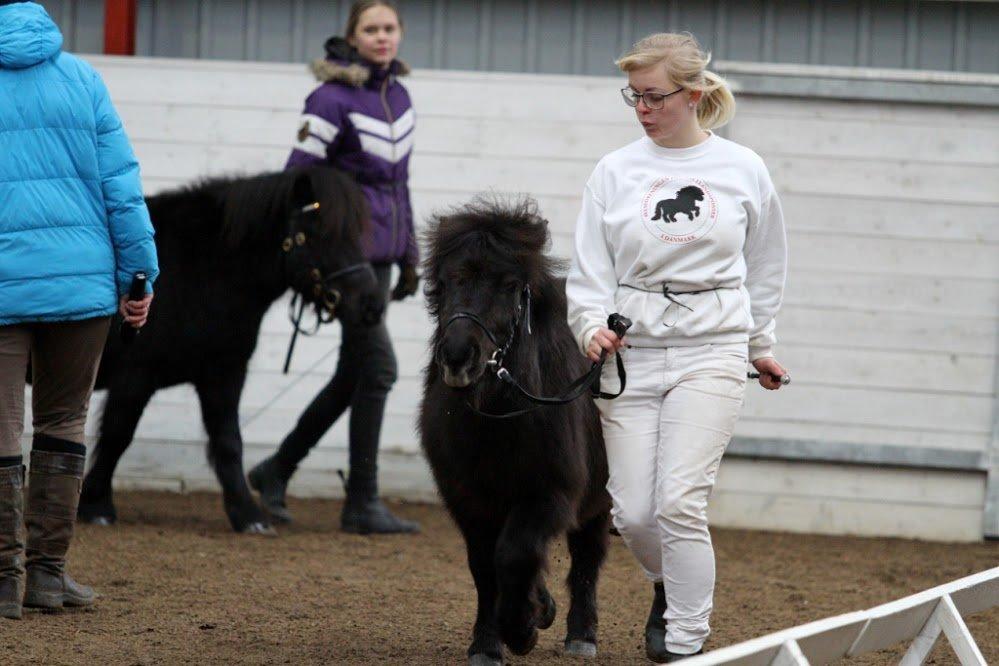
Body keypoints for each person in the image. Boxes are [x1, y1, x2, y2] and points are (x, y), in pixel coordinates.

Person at [566, 33, 788, 661]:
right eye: (633, 96)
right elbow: (588, 268)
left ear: (692, 95)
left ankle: (686, 644)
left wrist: (759, 345)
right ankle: (669, 584)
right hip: (631, 354)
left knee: (678, 503)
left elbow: (767, 265)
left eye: (654, 96)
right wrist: (589, 326)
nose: (642, 108)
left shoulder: (742, 168)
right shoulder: (614, 170)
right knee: (634, 514)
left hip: (712, 349)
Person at [0, 1, 158, 619]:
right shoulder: (83, 81)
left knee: (2, 426)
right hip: (80, 282)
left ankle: (4, 583)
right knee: (63, 422)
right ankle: (47, 575)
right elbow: (121, 185)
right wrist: (138, 277)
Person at [249, 0, 419, 535]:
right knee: (381, 369)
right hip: (345, 261)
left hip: (385, 256)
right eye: (371, 28)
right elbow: (298, 177)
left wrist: (410, 253)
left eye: (389, 28)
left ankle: (275, 470)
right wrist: (314, 252)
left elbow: (398, 185)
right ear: (353, 35)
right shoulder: (328, 98)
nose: (382, 36)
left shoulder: (401, 94)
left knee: (355, 372)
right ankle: (362, 500)